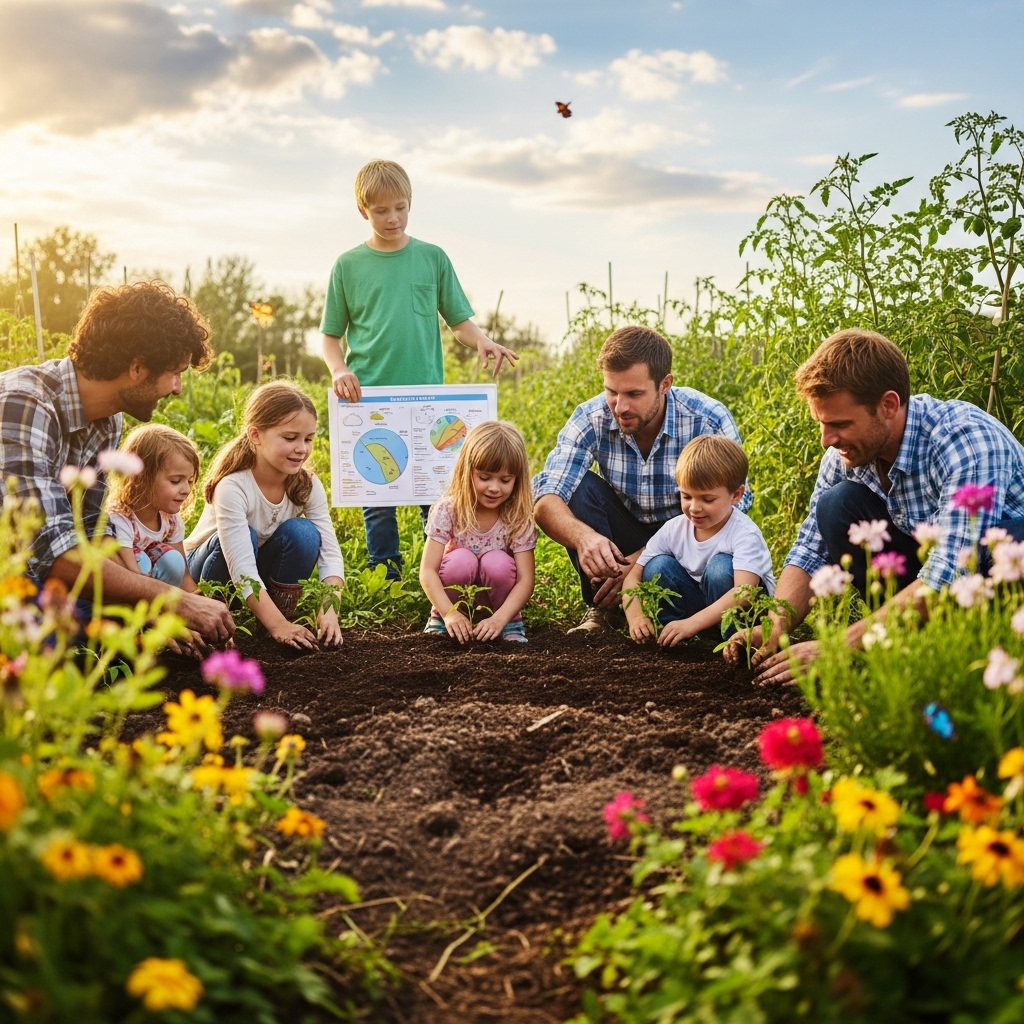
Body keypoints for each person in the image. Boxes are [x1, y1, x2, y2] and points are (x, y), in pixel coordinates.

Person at [732, 328, 1024, 685]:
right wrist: (775, 624)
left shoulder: (963, 438)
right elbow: (809, 548)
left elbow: (950, 572)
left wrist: (840, 645)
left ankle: (989, 656)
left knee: (1008, 539)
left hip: (997, 584)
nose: (827, 439)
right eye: (822, 424)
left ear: (888, 405)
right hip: (930, 582)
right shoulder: (845, 455)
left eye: (840, 424)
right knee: (836, 505)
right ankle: (912, 649)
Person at [0, 281, 234, 647]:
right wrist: (175, 602)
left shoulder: (108, 420)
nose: (177, 388)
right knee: (55, 644)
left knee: (105, 633)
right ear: (137, 367)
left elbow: (93, 531)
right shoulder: (24, 405)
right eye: (175, 373)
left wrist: (149, 613)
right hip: (17, 574)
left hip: (38, 576)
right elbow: (55, 552)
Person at [320, 158, 519, 581]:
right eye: (380, 210)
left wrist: (481, 339)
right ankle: (385, 575)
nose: (392, 217)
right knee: (379, 497)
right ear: (363, 211)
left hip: (429, 402)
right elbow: (330, 337)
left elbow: (459, 322)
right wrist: (339, 370)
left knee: (438, 494)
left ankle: (448, 571)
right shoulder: (348, 266)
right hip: (370, 399)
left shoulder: (432, 258)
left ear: (410, 204)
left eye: (400, 207)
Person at [533, 324, 751, 634]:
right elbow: (546, 499)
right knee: (577, 490)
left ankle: (706, 619)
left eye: (634, 394)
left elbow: (737, 505)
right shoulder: (590, 417)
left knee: (710, 566)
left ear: (665, 384)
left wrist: (641, 559)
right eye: (612, 391)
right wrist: (585, 539)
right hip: (624, 537)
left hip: (689, 537)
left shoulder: (707, 418)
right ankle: (605, 610)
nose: (620, 407)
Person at [185, 382, 346, 650]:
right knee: (246, 535)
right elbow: (241, 567)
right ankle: (213, 623)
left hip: (254, 572)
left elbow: (330, 552)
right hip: (208, 570)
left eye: (308, 439)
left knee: (304, 534)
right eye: (290, 438)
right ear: (256, 435)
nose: (302, 449)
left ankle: (276, 620)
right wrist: (278, 628)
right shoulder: (233, 486)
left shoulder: (307, 485)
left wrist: (329, 609)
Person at [622, 435, 775, 646]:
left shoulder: (744, 533)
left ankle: (735, 641)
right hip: (699, 611)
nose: (694, 507)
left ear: (736, 495)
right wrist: (636, 616)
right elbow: (633, 577)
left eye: (707, 499)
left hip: (743, 615)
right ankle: (677, 637)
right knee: (657, 565)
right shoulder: (675, 529)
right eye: (686, 496)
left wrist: (691, 623)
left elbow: (745, 593)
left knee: (720, 568)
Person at [419, 420, 536, 643]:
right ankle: (441, 621)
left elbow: (526, 580)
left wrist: (500, 619)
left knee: (497, 562)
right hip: (453, 609)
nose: (494, 488)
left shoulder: (517, 516)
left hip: (499, 612)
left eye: (505, 480)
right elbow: (427, 571)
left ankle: (511, 625)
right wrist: (449, 613)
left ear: (517, 480)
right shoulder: (449, 509)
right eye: (484, 477)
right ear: (467, 471)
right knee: (461, 560)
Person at [108, 424, 201, 590]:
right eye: (175, 481)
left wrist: (201, 601)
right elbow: (132, 575)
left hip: (154, 588)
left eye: (189, 481)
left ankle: (165, 606)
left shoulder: (170, 519)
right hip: (124, 588)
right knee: (141, 562)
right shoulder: (121, 517)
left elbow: (185, 577)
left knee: (173, 560)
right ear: (141, 478)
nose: (186, 489)